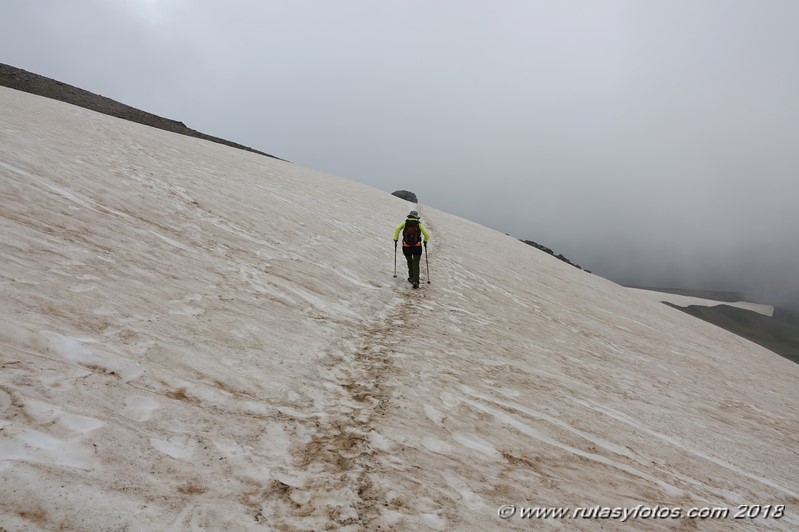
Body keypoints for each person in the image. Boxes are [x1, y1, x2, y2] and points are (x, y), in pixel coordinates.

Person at [394, 210, 430, 288]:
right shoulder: (418, 224)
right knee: (416, 263)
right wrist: (425, 240)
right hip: (417, 247)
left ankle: (411, 277)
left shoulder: (405, 223)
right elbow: (427, 234)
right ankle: (416, 281)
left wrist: (396, 239)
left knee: (409, 261)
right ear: (416, 217)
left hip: (406, 246)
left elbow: (397, 229)